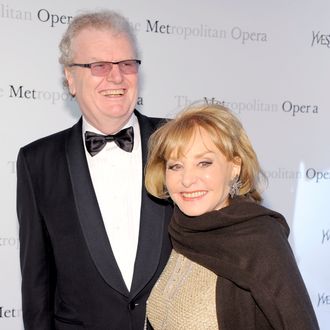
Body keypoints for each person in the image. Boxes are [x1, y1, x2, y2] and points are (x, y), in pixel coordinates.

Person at [16, 10, 172, 330]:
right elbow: (36, 285)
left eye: (126, 64)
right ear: (70, 79)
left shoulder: (178, 143)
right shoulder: (38, 162)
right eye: (99, 65)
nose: (116, 77)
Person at [144, 101, 319, 329]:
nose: (187, 180)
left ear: (234, 166)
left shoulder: (259, 240)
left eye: (204, 163)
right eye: (176, 166)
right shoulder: (180, 231)